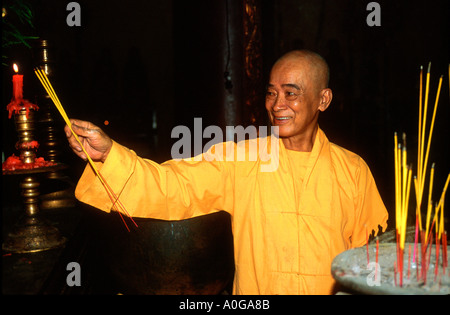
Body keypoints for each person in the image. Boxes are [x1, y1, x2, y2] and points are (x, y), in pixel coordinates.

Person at [65, 50, 388, 294]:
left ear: (323, 99)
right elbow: (171, 185)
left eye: (291, 93)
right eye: (271, 93)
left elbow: (373, 254)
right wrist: (109, 155)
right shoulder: (242, 158)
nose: (277, 104)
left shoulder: (352, 169)